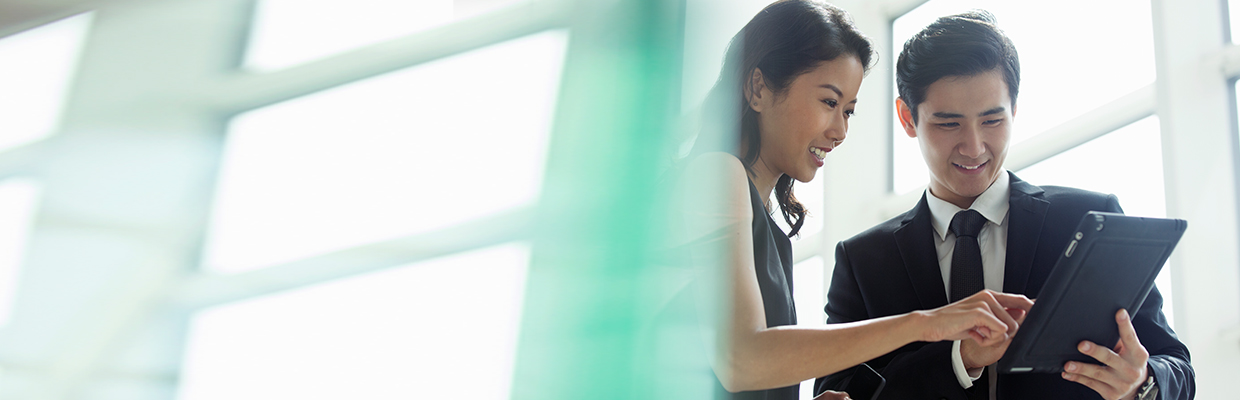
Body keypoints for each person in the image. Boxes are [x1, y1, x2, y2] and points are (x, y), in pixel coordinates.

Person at [812, 10, 1194, 400]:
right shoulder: (864, 262)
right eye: (949, 124)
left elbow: (1175, 364)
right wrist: (960, 358)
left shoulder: (1086, 218)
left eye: (992, 120)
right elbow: (838, 392)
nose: (974, 147)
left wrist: (1141, 384)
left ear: (1014, 109)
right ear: (908, 117)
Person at [670, 2, 1034, 399]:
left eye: (849, 111)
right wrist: (926, 323)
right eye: (829, 102)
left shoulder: (771, 234)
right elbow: (741, 361)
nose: (840, 130)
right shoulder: (718, 173)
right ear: (758, 88)